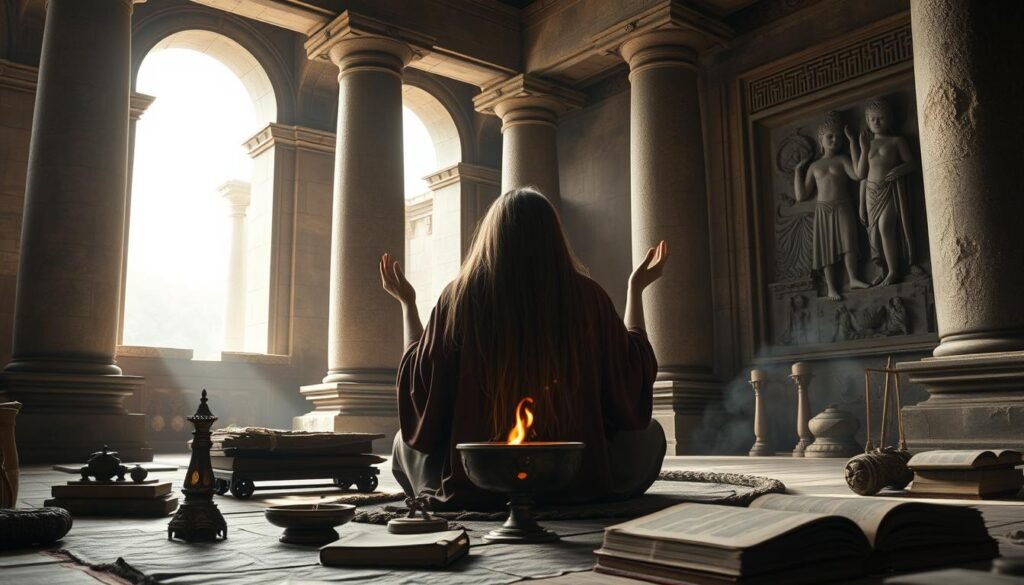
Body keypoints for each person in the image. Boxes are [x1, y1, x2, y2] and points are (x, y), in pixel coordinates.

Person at [379, 187, 667, 511]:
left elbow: (421, 387)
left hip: (478, 484)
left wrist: (408, 305)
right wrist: (636, 289)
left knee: (402, 445)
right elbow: (630, 374)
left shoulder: (457, 298)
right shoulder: (588, 297)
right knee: (652, 436)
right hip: (575, 480)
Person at [794, 114, 870, 301]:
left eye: (838, 137)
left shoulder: (842, 159)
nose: (835, 140)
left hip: (843, 205)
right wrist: (797, 171)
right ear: (821, 139)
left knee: (849, 241)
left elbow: (858, 174)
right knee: (826, 249)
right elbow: (801, 195)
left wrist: (854, 143)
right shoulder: (814, 166)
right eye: (830, 136)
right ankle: (831, 287)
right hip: (823, 209)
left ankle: (853, 278)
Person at [850, 98, 917, 286]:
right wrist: (861, 204)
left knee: (885, 227)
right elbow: (861, 174)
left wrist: (900, 170)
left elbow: (912, 163)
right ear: (867, 121)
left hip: (889, 188)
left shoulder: (897, 141)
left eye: (881, 118)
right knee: (874, 235)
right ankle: (882, 269)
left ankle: (894, 271)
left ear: (890, 119)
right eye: (872, 119)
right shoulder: (867, 145)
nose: (876, 122)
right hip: (871, 191)